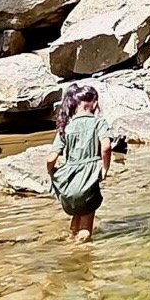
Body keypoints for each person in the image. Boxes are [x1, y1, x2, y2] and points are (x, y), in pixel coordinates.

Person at [46, 83, 113, 244]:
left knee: (75, 223)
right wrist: (105, 169)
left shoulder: (66, 126)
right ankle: (76, 254)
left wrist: (52, 172)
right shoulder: (98, 123)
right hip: (88, 179)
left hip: (69, 182)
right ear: (94, 103)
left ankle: (69, 246)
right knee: (85, 232)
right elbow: (106, 147)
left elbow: (50, 159)